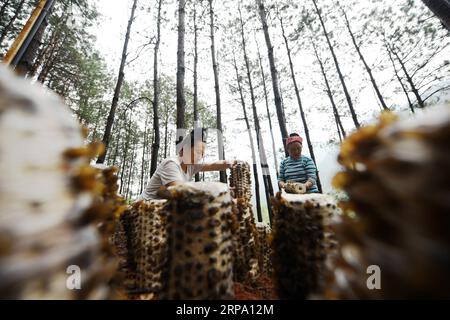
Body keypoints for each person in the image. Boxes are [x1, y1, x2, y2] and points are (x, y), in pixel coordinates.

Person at [139, 128, 238, 200]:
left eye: (203, 153)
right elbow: (179, 190)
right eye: (198, 152)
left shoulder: (191, 165)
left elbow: (213, 165)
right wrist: (219, 189)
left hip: (162, 210)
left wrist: (229, 163)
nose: (201, 156)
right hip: (145, 208)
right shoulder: (171, 164)